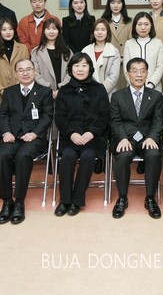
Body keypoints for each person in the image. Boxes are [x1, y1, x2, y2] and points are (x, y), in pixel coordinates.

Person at [0, 58, 54, 224]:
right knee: (2, 155)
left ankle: (19, 201)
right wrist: (6, 132)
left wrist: (34, 133)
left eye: (28, 69)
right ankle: (7, 201)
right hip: (11, 136)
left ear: (34, 71)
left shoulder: (44, 91)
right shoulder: (9, 92)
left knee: (23, 156)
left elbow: (47, 116)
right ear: (16, 74)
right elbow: (2, 114)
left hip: (34, 138)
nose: (25, 73)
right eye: (21, 70)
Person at [54, 53, 110, 216]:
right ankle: (65, 200)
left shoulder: (99, 89)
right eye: (77, 65)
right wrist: (71, 134)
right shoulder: (64, 91)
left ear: (90, 68)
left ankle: (77, 200)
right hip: (70, 137)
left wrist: (92, 133)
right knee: (68, 156)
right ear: (71, 68)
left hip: (93, 138)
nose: (80, 69)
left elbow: (104, 115)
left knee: (87, 156)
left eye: (84, 65)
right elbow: (60, 117)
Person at [109, 58, 163, 219]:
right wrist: (122, 138)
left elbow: (158, 121)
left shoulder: (156, 96)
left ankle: (150, 198)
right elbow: (115, 121)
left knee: (153, 155)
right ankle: (122, 198)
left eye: (142, 71)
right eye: (135, 71)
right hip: (126, 138)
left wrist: (152, 137)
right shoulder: (117, 96)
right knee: (123, 155)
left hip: (147, 138)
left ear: (147, 74)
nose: (139, 75)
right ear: (128, 74)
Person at [0, 17, 30, 109]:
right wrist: (1, 90)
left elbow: (27, 70)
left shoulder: (22, 48)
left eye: (10, 29)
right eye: (4, 29)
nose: (8, 32)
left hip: (20, 93)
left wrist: (16, 89)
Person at [30, 18, 72, 100]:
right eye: (48, 29)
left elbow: (71, 71)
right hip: (44, 92)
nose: (51, 32)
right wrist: (49, 88)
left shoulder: (67, 50)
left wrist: (61, 87)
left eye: (54, 29)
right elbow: (35, 73)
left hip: (65, 91)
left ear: (59, 31)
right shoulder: (36, 52)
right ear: (44, 31)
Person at [122, 12, 163, 92]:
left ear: (151, 25)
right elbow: (126, 68)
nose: (143, 27)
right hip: (132, 89)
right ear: (134, 26)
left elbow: (160, 67)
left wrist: (150, 85)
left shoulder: (158, 43)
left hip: (154, 89)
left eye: (146, 24)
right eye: (139, 24)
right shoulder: (129, 43)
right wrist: (135, 85)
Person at [81, 18, 121, 97]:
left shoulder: (114, 51)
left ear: (107, 32)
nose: (99, 32)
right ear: (93, 32)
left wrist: (100, 91)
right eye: (97, 30)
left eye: (103, 30)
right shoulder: (85, 50)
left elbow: (114, 77)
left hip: (108, 94)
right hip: (88, 93)